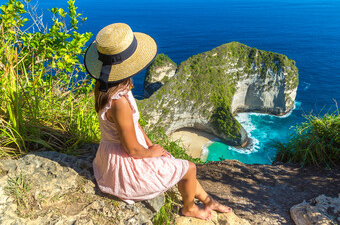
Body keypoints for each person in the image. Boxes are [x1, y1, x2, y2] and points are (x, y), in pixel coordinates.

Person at [84, 23, 232, 220]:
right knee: (190, 167)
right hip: (125, 169)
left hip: (112, 156)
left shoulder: (110, 88)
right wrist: (149, 152)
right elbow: (132, 149)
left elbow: (133, 125)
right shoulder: (119, 102)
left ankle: (207, 200)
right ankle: (189, 208)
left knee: (172, 160)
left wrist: (149, 144)